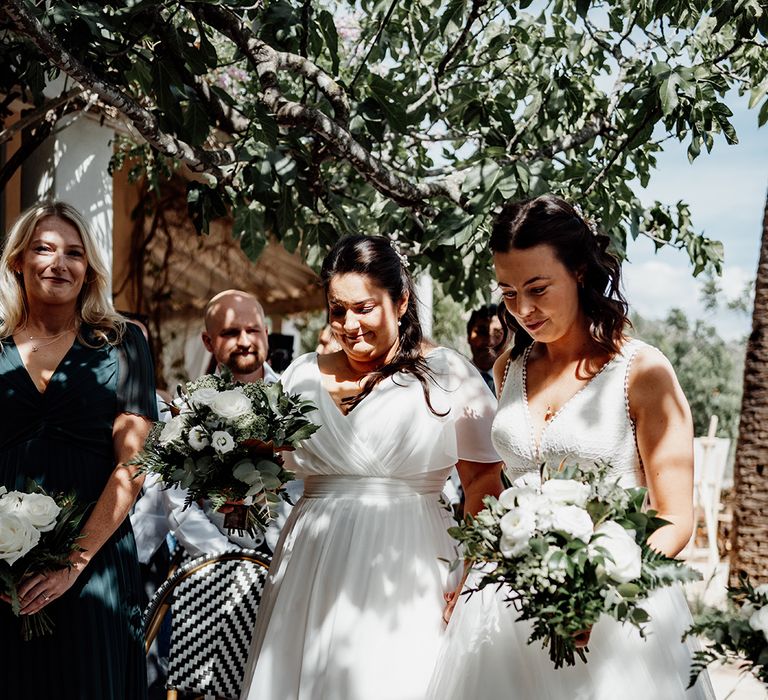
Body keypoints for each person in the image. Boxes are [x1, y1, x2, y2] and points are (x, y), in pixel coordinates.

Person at [427, 195, 714, 699]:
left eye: (538, 289)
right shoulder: (507, 369)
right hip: (506, 603)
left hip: (612, 608)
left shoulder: (643, 372)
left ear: (579, 270)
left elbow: (675, 519)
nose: (524, 310)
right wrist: (469, 574)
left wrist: (592, 594)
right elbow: (498, 499)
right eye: (510, 293)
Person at [239, 235, 503, 700]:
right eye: (337, 310)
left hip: (409, 560)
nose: (349, 324)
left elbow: (482, 478)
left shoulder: (448, 374)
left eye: (364, 308)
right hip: (312, 560)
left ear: (400, 301)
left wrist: (472, 570)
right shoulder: (301, 374)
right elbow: (270, 463)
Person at [0, 201, 157, 698]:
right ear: (17, 261)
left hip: (96, 568)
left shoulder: (122, 342)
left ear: (88, 269)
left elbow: (134, 463)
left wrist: (71, 563)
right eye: (44, 249)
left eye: (74, 253)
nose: (58, 263)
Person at [161, 289, 296, 556]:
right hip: (219, 566)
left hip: (292, 557)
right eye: (230, 333)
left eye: (253, 330)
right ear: (208, 342)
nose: (245, 341)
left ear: (266, 333)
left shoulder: (293, 398)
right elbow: (177, 502)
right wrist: (226, 556)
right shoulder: (186, 410)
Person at [466, 303, 505, 392]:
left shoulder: (518, 381)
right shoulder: (455, 378)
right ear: (468, 337)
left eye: (498, 333)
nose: (489, 341)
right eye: (481, 332)